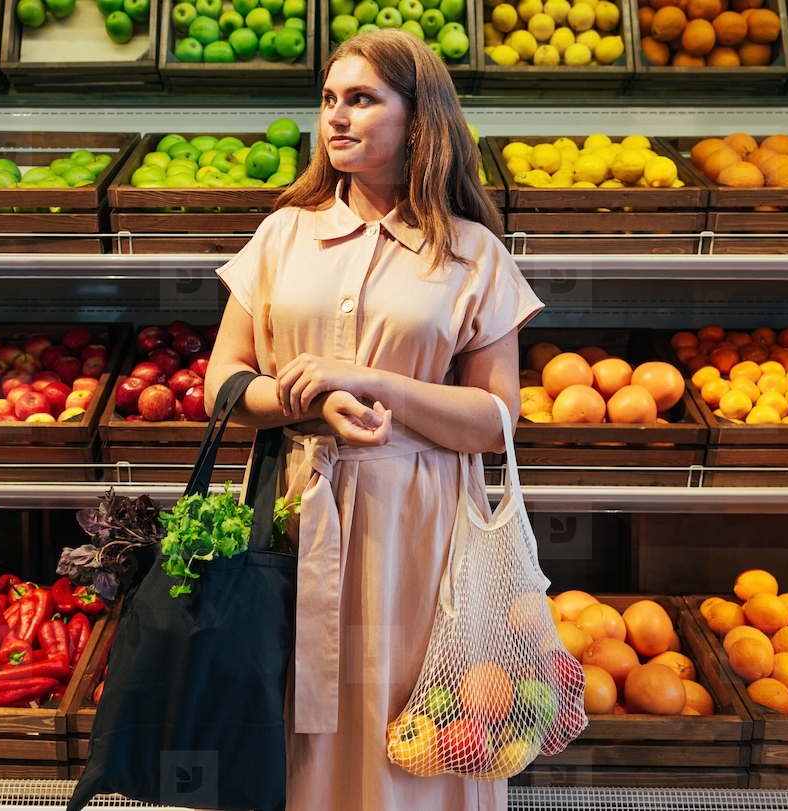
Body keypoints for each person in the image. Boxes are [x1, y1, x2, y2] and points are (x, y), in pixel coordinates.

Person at [205, 28, 543, 811]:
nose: (337, 117)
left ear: (419, 119)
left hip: (419, 533)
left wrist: (367, 379)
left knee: (409, 717)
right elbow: (222, 379)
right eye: (329, 99)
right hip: (292, 514)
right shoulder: (283, 233)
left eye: (361, 99)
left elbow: (494, 419)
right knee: (292, 716)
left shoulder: (472, 254)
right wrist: (310, 401)